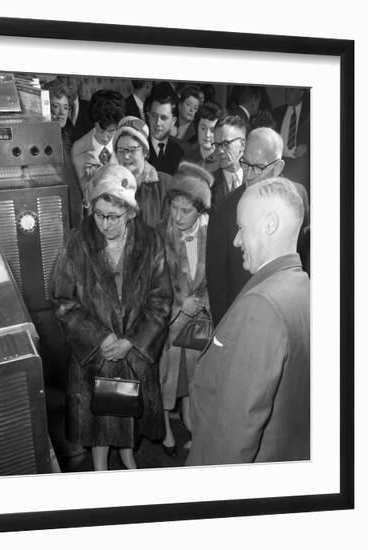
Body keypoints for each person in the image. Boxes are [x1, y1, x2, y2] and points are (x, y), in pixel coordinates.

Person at [51, 164, 173, 471]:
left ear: (131, 212)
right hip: (95, 353)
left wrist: (132, 342)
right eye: (99, 214)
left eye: (113, 217)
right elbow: (62, 300)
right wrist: (101, 338)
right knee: (99, 421)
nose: (104, 224)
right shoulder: (76, 242)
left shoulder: (150, 242)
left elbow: (160, 301)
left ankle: (128, 455)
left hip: (133, 352)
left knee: (128, 412)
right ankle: (100, 468)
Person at [186, 177, 310, 465]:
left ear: (269, 224)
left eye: (241, 228)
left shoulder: (261, 307)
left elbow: (233, 432)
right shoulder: (303, 286)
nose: (235, 240)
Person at [206, 127, 310, 327]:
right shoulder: (225, 210)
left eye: (258, 167)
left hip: (290, 314)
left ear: (278, 167)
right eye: (245, 163)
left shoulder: (298, 197)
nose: (249, 174)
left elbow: (304, 257)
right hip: (245, 320)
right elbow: (217, 283)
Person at [156, 162, 213, 456]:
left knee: (193, 379)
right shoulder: (160, 235)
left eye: (185, 210)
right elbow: (154, 285)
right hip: (168, 325)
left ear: (200, 210)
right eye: (174, 208)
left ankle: (192, 425)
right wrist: (179, 306)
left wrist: (199, 303)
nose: (177, 216)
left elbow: (215, 280)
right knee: (166, 380)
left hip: (199, 325)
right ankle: (166, 430)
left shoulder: (211, 234)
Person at [113, 116, 173, 227]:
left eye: (132, 150)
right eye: (121, 151)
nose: (126, 156)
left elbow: (171, 232)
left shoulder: (165, 185)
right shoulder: (110, 186)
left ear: (145, 152)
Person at [71, 90, 125, 194]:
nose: (105, 138)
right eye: (100, 130)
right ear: (94, 122)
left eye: (111, 131)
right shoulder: (77, 150)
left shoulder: (127, 145)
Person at [272, 87, 310, 194]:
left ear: (301, 92)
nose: (287, 93)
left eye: (291, 90)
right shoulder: (276, 112)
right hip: (280, 164)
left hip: (300, 165)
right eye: (286, 90)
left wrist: (307, 147)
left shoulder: (310, 112)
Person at [210, 115, 247, 211]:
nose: (220, 151)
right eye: (217, 145)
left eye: (226, 144)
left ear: (242, 145)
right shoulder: (208, 184)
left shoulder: (255, 180)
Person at [144, 89, 185, 175]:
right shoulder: (139, 146)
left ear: (173, 121)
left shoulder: (182, 151)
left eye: (164, 118)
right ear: (148, 116)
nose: (158, 123)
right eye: (153, 116)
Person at [182, 101, 223, 172]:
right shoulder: (187, 159)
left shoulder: (223, 160)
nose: (207, 134)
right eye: (203, 128)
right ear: (197, 127)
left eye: (212, 130)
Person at [44, 79, 74, 153]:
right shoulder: (42, 138)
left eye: (65, 107)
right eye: (56, 106)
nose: (62, 112)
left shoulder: (68, 135)